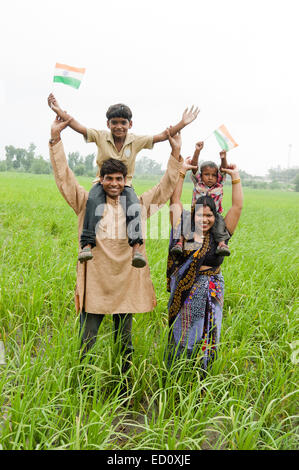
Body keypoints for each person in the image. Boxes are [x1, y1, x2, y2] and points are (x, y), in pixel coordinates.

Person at [48, 114, 195, 374]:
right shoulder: (86, 203)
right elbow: (64, 178)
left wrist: (176, 153)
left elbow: (164, 188)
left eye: (119, 179)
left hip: (125, 284)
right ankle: (81, 386)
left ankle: (123, 386)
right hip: (95, 283)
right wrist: (56, 139)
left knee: (124, 343)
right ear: (100, 180)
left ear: (125, 180)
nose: (114, 184)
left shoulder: (136, 205)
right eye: (109, 179)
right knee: (87, 340)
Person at [48, 94, 199, 266]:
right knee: (92, 201)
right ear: (108, 124)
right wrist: (59, 111)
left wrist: (182, 124)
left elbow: (162, 136)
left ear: (130, 124)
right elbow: (77, 125)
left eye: (123, 123)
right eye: (114, 123)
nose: (119, 127)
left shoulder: (135, 141)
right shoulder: (100, 136)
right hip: (99, 183)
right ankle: (87, 244)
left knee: (133, 207)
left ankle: (136, 247)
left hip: (126, 185)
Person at [166, 153, 243, 369]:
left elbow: (236, 207)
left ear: (214, 216)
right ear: (194, 214)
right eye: (201, 215)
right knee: (183, 335)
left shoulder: (222, 233)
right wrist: (182, 172)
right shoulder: (185, 228)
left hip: (212, 290)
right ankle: (177, 371)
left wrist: (235, 177)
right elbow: (175, 201)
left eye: (209, 215)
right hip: (186, 291)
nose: (205, 219)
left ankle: (203, 374)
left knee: (208, 334)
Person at [171, 141, 231, 257]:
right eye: (207, 174)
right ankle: (179, 243)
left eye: (213, 175)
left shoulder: (219, 184)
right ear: (200, 175)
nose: (210, 178)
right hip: (196, 211)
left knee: (220, 224)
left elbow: (223, 169)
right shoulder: (198, 183)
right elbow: (194, 166)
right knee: (185, 220)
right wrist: (197, 151)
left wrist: (223, 157)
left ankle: (221, 244)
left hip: (214, 213)